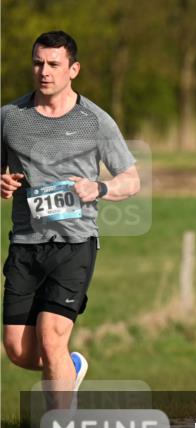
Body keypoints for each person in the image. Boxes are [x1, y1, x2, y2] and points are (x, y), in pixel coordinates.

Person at [1, 31, 140, 409]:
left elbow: (131, 179)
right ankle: (71, 366)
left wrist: (101, 189)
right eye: (37, 63)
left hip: (74, 244)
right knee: (17, 349)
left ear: (73, 69)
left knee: (51, 337)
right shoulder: (10, 118)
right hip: (26, 245)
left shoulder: (95, 121)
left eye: (53, 64)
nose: (43, 71)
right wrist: (3, 182)